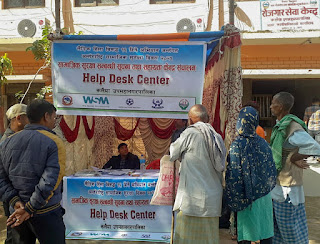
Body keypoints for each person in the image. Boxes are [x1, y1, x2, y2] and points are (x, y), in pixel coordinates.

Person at [0, 99, 66, 244]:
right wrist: (29, 208)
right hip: (45, 212)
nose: (54, 122)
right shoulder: (53, 142)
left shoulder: (7, 142)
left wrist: (15, 201)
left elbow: (1, 178)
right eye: (54, 117)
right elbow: (50, 181)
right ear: (46, 116)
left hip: (17, 212)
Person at [169, 104, 226, 244]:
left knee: (186, 238)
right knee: (208, 238)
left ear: (190, 120)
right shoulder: (217, 136)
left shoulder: (190, 133)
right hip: (212, 199)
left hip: (192, 200)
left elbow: (173, 152)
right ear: (207, 118)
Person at [270, 92, 320, 244]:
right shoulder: (282, 125)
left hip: (288, 188)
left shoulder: (292, 127)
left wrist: (293, 157)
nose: (271, 106)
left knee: (290, 228)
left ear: (282, 107)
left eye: (274, 103)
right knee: (278, 229)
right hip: (280, 182)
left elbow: (315, 147)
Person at [225, 106, 277, 244]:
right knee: (265, 230)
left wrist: (233, 196)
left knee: (245, 233)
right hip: (264, 195)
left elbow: (233, 173)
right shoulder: (264, 144)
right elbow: (271, 169)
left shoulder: (237, 145)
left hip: (245, 197)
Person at [0, 104, 29, 244]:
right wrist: (14, 199)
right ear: (19, 118)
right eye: (28, 117)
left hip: (20, 199)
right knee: (15, 237)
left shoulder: (21, 138)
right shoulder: (7, 143)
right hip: (13, 199)